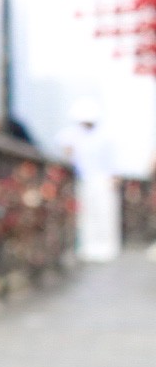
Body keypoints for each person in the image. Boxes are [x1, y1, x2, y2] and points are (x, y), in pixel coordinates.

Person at [56, 98, 120, 262]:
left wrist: (113, 177)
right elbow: (65, 149)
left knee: (104, 213)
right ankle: (88, 247)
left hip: (103, 180)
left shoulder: (104, 136)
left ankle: (106, 248)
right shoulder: (73, 134)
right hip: (84, 180)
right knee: (86, 214)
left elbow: (111, 161)